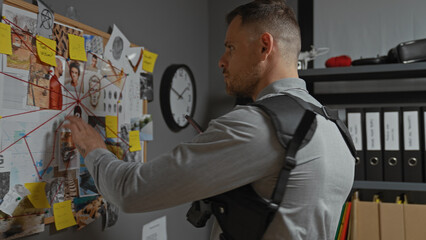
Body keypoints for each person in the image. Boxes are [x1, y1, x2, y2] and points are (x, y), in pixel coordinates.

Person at [63, 1, 354, 239]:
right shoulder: (335, 130)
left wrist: (93, 148)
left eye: (231, 48)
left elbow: (130, 192)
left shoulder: (257, 126)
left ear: (265, 47)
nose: (221, 60)